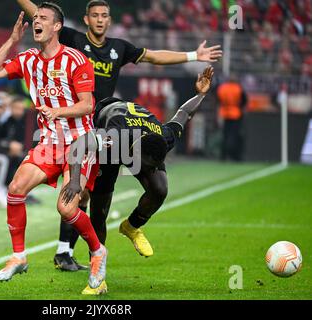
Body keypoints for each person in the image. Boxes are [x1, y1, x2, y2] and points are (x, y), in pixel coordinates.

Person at [17, 0, 223, 271]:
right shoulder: (74, 38)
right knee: (80, 189)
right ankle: (66, 252)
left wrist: (193, 56)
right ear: (87, 19)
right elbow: (41, 17)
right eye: (95, 15)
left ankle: (101, 240)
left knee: (136, 189)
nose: (100, 20)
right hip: (82, 121)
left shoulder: (119, 48)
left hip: (109, 123)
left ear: (110, 20)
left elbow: (154, 58)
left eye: (104, 15)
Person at [0, 3, 107, 294]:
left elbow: (88, 105)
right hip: (49, 141)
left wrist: (59, 112)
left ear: (57, 26)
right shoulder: (27, 59)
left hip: (79, 142)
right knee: (15, 188)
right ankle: (19, 256)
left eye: (43, 18)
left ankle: (98, 252)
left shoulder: (76, 60)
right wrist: (11, 41)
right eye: (35, 17)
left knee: (65, 208)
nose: (36, 21)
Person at [61, 66, 215, 294]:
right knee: (100, 212)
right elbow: (79, 145)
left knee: (160, 189)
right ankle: (98, 274)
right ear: (133, 153)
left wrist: (201, 94)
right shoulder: (114, 136)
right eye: (145, 165)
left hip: (140, 135)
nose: (146, 171)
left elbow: (183, 114)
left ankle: (131, 227)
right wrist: (74, 181)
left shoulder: (163, 136)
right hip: (107, 120)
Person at [216, 75, 247, 161]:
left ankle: (223, 156)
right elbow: (244, 101)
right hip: (235, 114)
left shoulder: (222, 88)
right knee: (235, 136)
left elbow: (217, 100)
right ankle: (235, 156)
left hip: (224, 113)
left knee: (225, 136)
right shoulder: (238, 88)